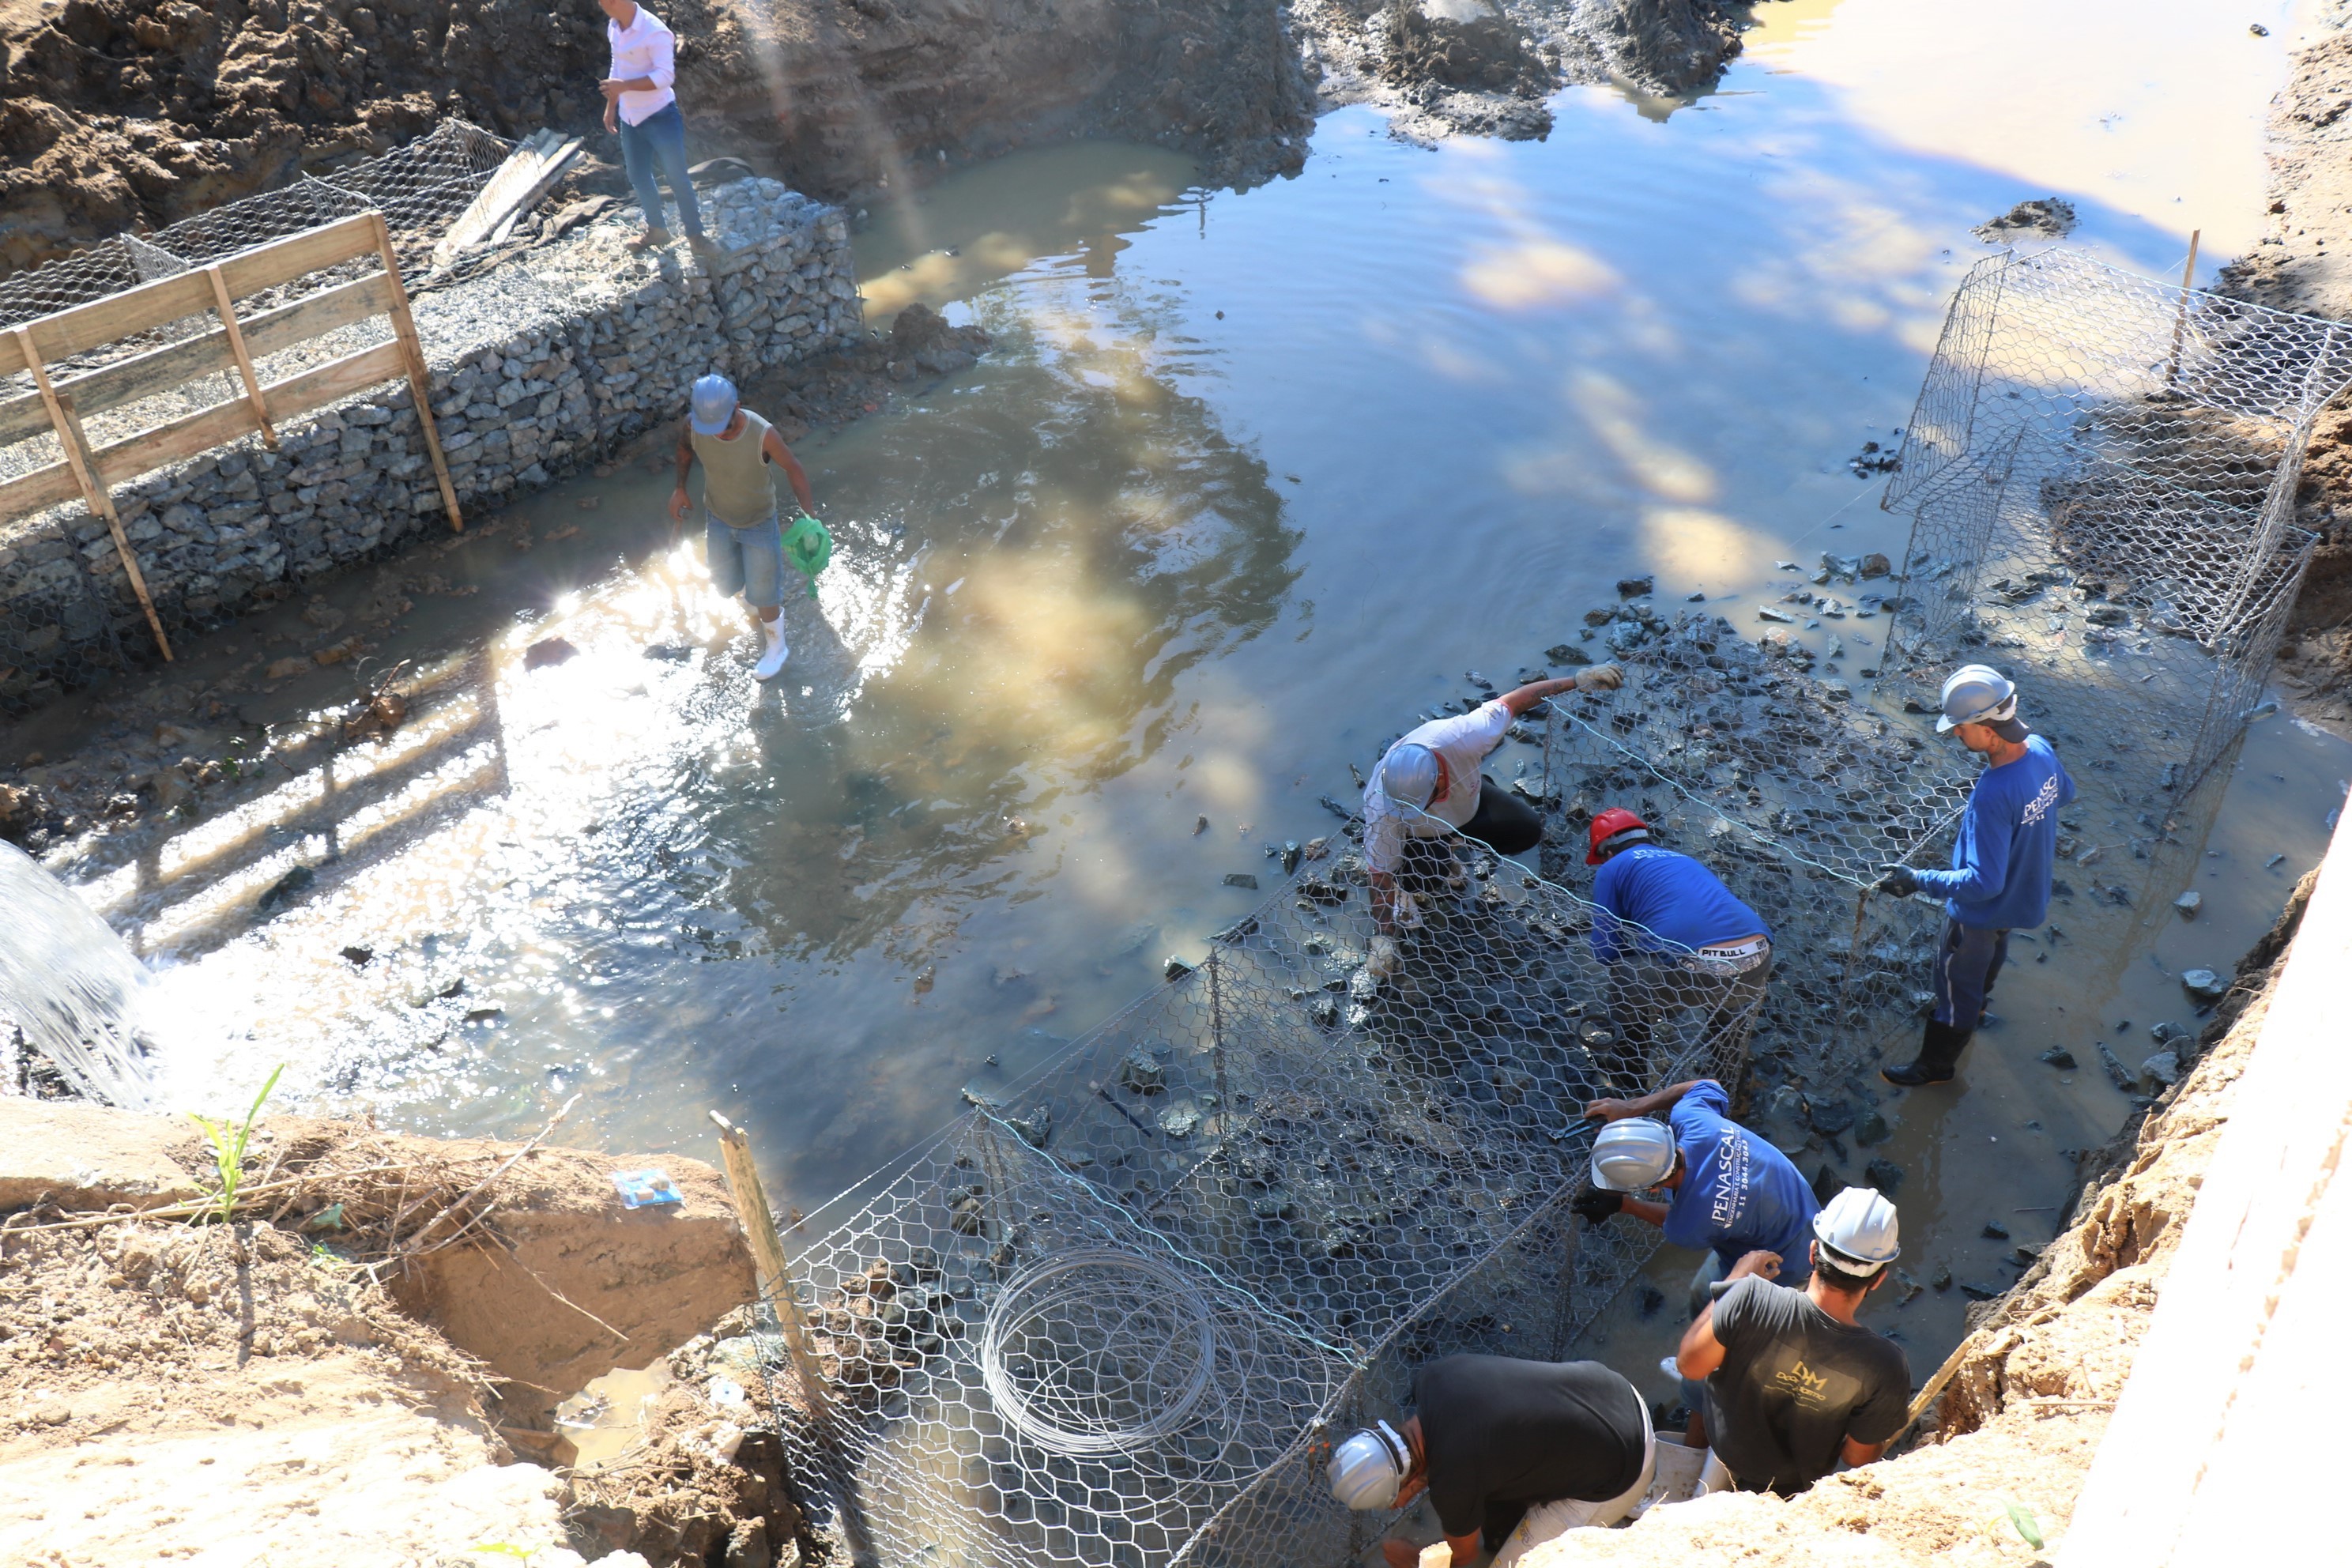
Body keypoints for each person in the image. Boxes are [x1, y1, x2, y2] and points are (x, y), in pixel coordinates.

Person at [1874, 664, 2075, 1086]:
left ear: (1988, 729)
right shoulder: (2039, 748)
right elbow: (2065, 794)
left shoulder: (1994, 792)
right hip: (2024, 898)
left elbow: (1984, 883)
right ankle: (1980, 1005)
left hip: (1980, 913)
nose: (1955, 734)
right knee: (1993, 951)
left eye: (1961, 727)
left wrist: (1916, 879)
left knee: (1953, 984)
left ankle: (1936, 1066)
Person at [1362, 666, 1623, 972]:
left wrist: (1578, 681)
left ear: (1440, 775)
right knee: (1426, 879)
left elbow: (1516, 701)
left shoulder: (1462, 736)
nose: (1423, 805)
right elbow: (1379, 875)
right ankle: (1417, 881)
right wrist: (1384, 938)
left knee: (1526, 831)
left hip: (1469, 804)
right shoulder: (1383, 807)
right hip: (1421, 834)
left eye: (1427, 800)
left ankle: (1454, 839)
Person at [1673, 1187, 1911, 1496]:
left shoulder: (1749, 1298)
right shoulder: (1885, 1366)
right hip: (1792, 1485)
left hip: (1726, 1446)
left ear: (1813, 1252)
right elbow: (1857, 1457)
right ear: (1878, 1279)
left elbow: (1689, 1366)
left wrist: (1735, 1280)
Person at [1327, 1353, 1654, 1568]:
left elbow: (1463, 1558)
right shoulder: (1434, 1379)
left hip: (1626, 1468)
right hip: (1617, 1392)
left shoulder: (1453, 1484)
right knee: (1497, 1506)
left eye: (1393, 1500)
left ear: (1409, 1480)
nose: (1397, 1507)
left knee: (1508, 1566)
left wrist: (1415, 1560)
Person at [1574, 1080, 1819, 1288]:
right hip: (1811, 1217)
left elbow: (1673, 1220)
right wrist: (1633, 1106)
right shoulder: (1693, 1119)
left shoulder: (1689, 1227)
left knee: (1712, 1307)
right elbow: (1709, 1085)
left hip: (1783, 1266)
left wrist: (1623, 1205)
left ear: (1652, 1189)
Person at [1584, 808, 1772, 1077]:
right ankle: (1730, 1073)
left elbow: (1604, 951)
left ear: (1608, 852)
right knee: (1724, 1003)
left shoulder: (1612, 868)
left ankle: (1628, 1066)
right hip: (1759, 958)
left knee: (1626, 974)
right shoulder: (1684, 860)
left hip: (1703, 970)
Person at [669, 374, 817, 680]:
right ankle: (758, 594)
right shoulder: (693, 426)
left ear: (736, 407)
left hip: (759, 523)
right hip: (719, 518)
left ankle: (777, 647)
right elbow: (685, 449)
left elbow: (794, 467)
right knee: (725, 586)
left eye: (722, 427)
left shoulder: (763, 434)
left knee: (764, 594)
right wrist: (680, 488)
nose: (718, 435)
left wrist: (810, 515)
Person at [597, 0, 710, 254]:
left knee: (677, 176)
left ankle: (696, 237)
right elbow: (618, 67)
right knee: (638, 175)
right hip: (630, 117)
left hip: (660, 116)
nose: (602, 4)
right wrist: (612, 106)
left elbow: (665, 76)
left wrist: (624, 87)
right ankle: (657, 230)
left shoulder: (654, 31)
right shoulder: (614, 27)